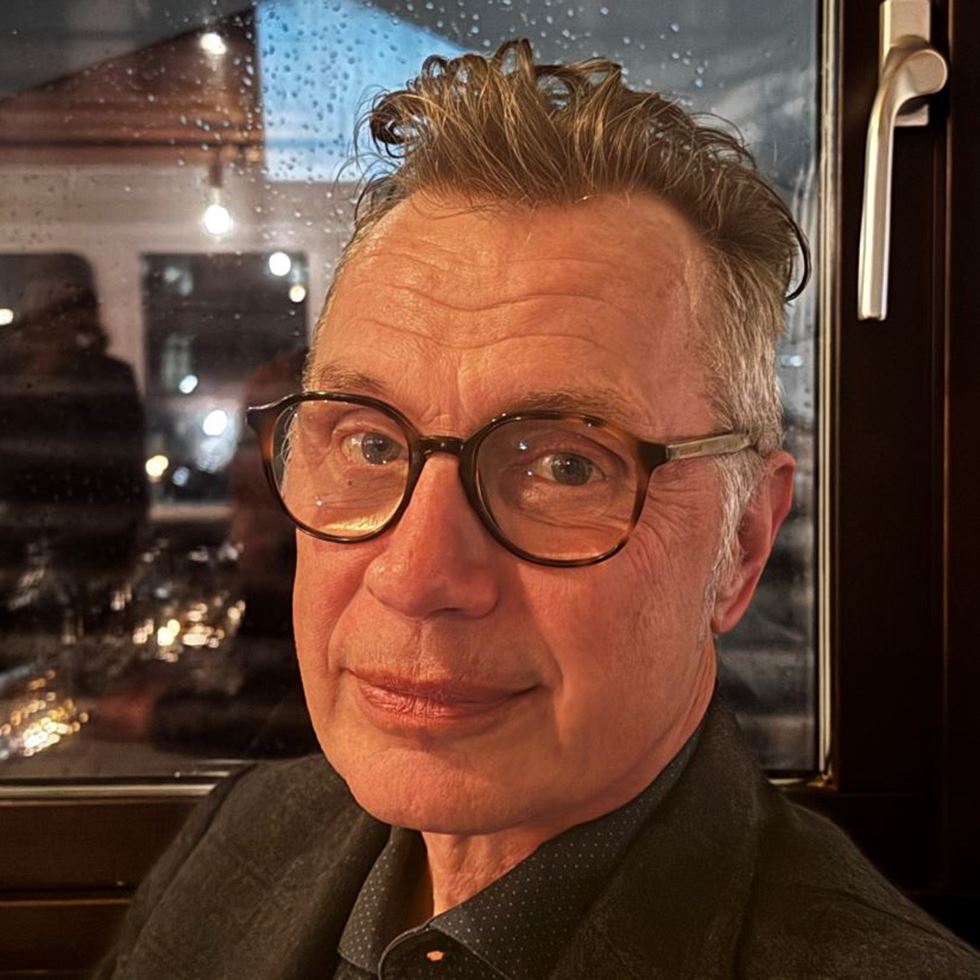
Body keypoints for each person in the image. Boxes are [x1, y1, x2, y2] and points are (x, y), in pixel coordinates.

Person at [98, 41, 980, 978]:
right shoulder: (237, 842)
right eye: (371, 445)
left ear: (743, 544)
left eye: (565, 466)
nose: (414, 576)